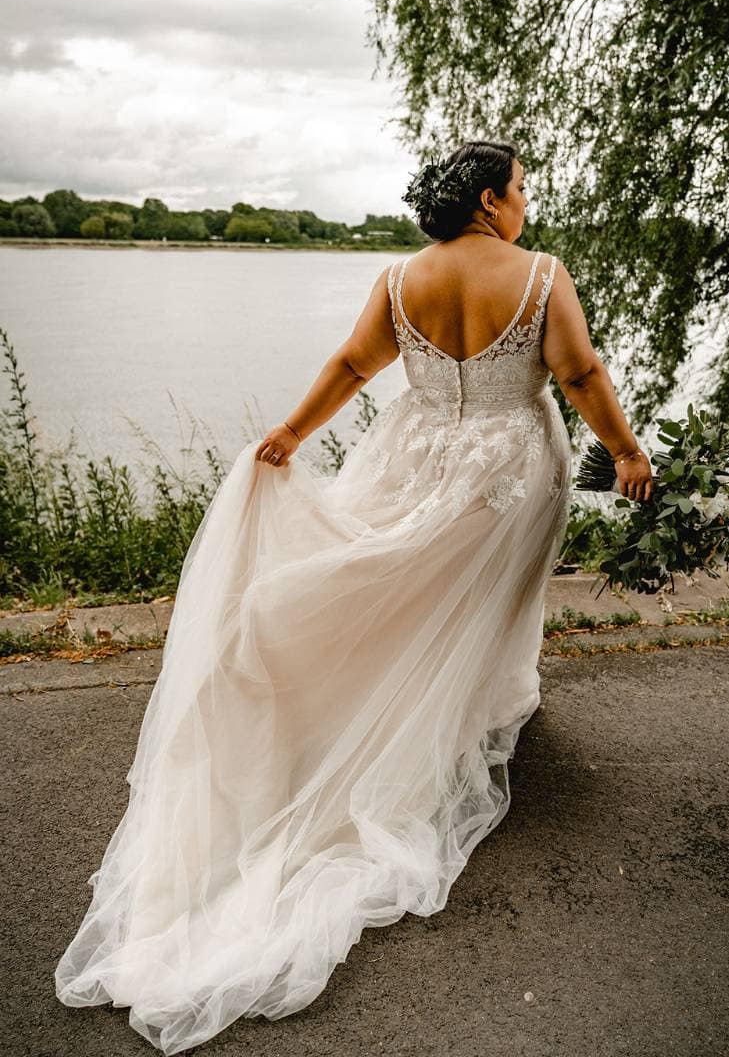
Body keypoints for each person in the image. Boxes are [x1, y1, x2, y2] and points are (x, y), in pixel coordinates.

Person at [54, 140, 653, 1055]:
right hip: (508, 469)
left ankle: (406, 705)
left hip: (414, 453)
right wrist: (628, 450)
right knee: (481, 600)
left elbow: (351, 366)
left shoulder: (400, 277)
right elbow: (579, 376)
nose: (526, 205)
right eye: (521, 190)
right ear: (490, 202)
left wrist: (291, 432)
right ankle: (469, 707)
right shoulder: (539, 274)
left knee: (399, 589)